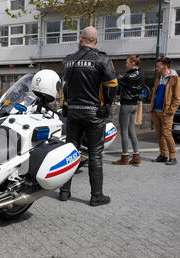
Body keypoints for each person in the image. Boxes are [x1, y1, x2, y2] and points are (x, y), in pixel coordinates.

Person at [59, 26, 118, 207]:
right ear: (96, 42)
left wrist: (67, 105)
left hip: (73, 113)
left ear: (80, 39)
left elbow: (65, 87)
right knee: (95, 155)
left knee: (70, 152)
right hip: (94, 114)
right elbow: (112, 85)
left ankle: (64, 191)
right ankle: (96, 196)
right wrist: (106, 105)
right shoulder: (103, 60)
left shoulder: (68, 60)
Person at [112, 55, 145, 166]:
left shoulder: (129, 75)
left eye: (127, 63)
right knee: (131, 130)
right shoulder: (140, 74)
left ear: (132, 63)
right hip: (134, 105)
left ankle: (124, 157)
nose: (126, 65)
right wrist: (122, 79)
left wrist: (120, 78)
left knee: (124, 131)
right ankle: (136, 156)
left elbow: (119, 82)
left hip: (126, 105)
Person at [150, 57, 180, 165]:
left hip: (166, 112)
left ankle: (173, 157)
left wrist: (170, 110)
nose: (156, 68)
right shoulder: (158, 78)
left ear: (165, 66)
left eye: (158, 66)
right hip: (156, 111)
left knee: (167, 134)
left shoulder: (175, 79)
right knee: (159, 134)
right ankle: (163, 155)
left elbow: (177, 98)